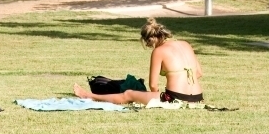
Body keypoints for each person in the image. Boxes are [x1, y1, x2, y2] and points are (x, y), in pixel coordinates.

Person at [73, 18, 204, 106]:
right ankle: (89, 95)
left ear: (150, 41)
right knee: (136, 94)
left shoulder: (159, 51)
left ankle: (88, 95)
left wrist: (156, 95)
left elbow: (153, 85)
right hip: (197, 98)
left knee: (128, 94)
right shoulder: (186, 44)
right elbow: (198, 73)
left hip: (174, 98)